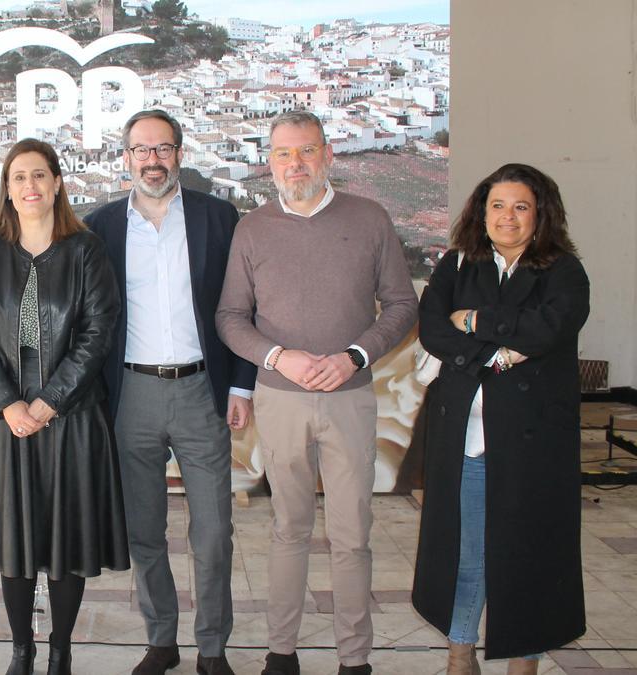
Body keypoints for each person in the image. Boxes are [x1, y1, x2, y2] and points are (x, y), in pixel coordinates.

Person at [215, 111, 418, 675]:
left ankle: (354, 660)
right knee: (288, 529)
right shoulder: (252, 228)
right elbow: (231, 317)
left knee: (352, 534)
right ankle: (282, 654)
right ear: (269, 162)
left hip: (350, 396)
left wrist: (354, 355)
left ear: (329, 155)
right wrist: (279, 356)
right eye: (283, 153)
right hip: (279, 398)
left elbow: (402, 305)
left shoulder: (370, 219)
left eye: (306, 151)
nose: (295, 164)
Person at [84, 109, 257, 675]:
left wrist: (242, 384)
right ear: (126, 158)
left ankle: (212, 648)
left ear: (179, 154)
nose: (152, 160)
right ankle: (161, 639)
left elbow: (244, 306)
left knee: (213, 534)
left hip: (201, 392)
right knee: (144, 530)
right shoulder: (101, 226)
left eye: (163, 148)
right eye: (141, 149)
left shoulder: (218, 218)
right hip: (130, 393)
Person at [0, 138, 129, 675]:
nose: (29, 186)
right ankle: (21, 650)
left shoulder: (86, 250)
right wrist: (9, 403)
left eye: (38, 175)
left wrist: (50, 402)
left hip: (72, 418)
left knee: (67, 537)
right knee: (16, 537)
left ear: (57, 182)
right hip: (4, 421)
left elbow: (98, 332)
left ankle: (61, 651)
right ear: (6, 191)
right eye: (18, 178)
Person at [411, 164, 589, 675]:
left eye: (520, 207)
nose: (506, 217)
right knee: (467, 555)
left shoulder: (563, 271)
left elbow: (547, 329)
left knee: (526, 557)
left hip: (535, 444)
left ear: (541, 215)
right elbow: (433, 330)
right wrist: (497, 353)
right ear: (480, 212)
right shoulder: (457, 265)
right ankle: (460, 654)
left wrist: (476, 322)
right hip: (466, 439)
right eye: (497, 205)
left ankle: (522, 662)